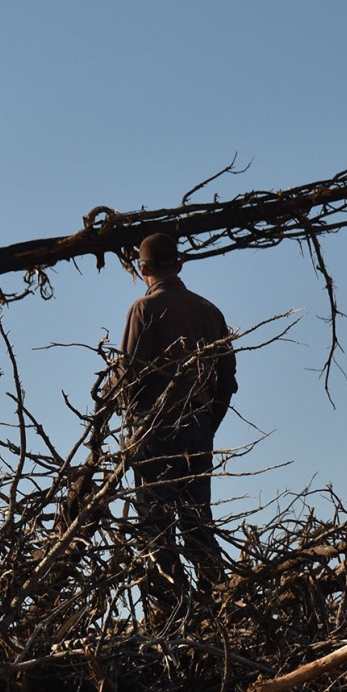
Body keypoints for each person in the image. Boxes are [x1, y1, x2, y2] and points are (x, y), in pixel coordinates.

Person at [115, 232, 238, 607]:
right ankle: (217, 602)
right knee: (198, 521)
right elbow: (227, 381)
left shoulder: (144, 310)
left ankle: (167, 612)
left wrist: (126, 415)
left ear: (143, 269)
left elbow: (129, 377)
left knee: (156, 524)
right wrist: (206, 424)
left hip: (154, 429)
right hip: (197, 427)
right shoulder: (210, 311)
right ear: (179, 265)